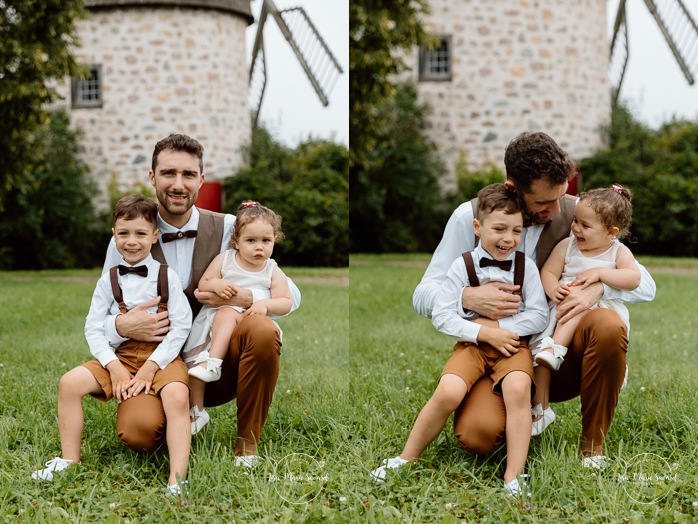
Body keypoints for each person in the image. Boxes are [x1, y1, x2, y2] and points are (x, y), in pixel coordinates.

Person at [412, 131, 656, 467]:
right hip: (499, 352)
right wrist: (469, 297)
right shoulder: (470, 217)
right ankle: (523, 411)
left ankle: (593, 447)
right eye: (543, 202)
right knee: (477, 437)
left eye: (561, 196)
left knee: (608, 324)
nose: (556, 210)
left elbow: (646, 285)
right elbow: (422, 294)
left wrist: (599, 288)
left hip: (557, 354)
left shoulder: (578, 215)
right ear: (514, 188)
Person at [101, 134, 301, 467]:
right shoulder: (130, 236)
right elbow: (102, 316)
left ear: (201, 179)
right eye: (168, 173)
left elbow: (291, 294)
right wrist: (122, 324)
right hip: (154, 363)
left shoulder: (230, 228)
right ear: (152, 177)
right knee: (139, 433)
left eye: (188, 174)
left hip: (216, 362)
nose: (178, 184)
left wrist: (245, 296)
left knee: (263, 330)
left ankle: (246, 446)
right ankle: (180, 416)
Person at [372, 184, 548, 496]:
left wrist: (502, 326)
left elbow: (538, 315)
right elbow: (442, 315)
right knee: (448, 390)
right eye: (499, 229)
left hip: (511, 345)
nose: (508, 238)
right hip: (472, 344)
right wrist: (483, 332)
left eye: (516, 230)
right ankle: (404, 458)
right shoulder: (462, 266)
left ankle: (513, 477)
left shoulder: (526, 267)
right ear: (477, 227)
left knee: (518, 389)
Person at [32, 195, 192, 495]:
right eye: (123, 233)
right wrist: (114, 367)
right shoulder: (109, 279)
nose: (131, 241)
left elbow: (182, 325)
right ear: (113, 235)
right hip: (121, 356)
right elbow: (93, 327)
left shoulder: (166, 276)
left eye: (141, 233)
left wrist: (150, 368)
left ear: (154, 236)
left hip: (163, 357)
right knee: (69, 383)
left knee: (177, 397)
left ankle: (177, 478)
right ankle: (69, 460)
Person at [530, 185, 641, 436]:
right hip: (561, 310)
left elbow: (634, 279)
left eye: (585, 226)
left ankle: (554, 349)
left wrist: (601, 274)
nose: (576, 228)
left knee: (581, 312)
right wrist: (552, 290)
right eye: (576, 221)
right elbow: (548, 272)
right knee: (541, 362)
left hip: (597, 314)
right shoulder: (567, 246)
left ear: (611, 232)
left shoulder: (618, 252)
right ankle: (540, 408)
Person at [183, 201, 292, 436]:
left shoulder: (271, 269)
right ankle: (197, 411)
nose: (259, 248)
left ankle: (214, 363)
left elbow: (286, 301)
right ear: (237, 241)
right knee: (194, 368)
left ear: (275, 239)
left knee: (226, 312)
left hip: (246, 324)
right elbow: (204, 284)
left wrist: (264, 303)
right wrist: (219, 284)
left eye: (266, 241)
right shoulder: (225, 260)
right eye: (251, 241)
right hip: (211, 326)